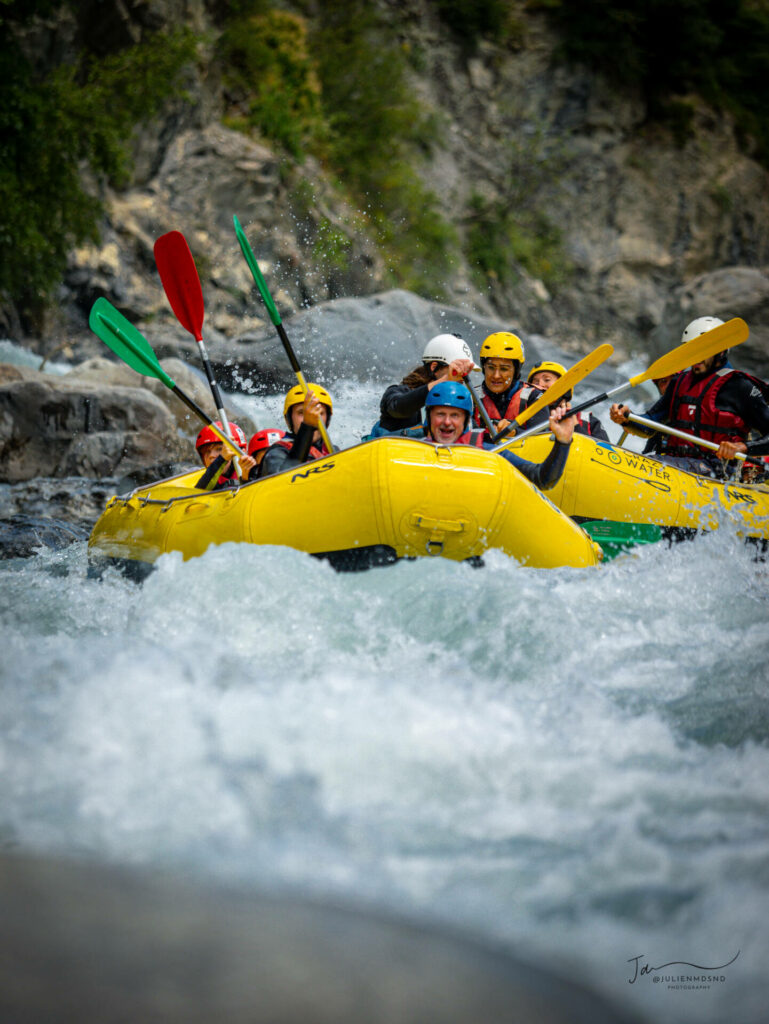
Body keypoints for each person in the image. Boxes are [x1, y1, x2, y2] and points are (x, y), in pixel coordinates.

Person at [610, 316, 769, 476]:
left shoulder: (740, 386)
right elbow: (651, 424)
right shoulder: (679, 382)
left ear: (721, 350)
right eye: (691, 349)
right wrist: (627, 418)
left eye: (702, 350)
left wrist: (742, 447)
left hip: (716, 472)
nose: (696, 356)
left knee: (655, 463)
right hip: (676, 465)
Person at [398, 380, 574, 490]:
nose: (447, 422)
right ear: (429, 417)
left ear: (466, 420)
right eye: (440, 414)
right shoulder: (413, 447)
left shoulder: (489, 450)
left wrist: (563, 442)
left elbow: (542, 479)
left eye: (455, 415)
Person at [369, 333, 476, 435]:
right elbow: (398, 408)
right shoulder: (397, 392)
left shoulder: (460, 404)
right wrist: (444, 380)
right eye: (455, 370)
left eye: (464, 372)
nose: (460, 376)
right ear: (434, 367)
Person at [513, 360, 610, 441]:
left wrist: (575, 426)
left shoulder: (589, 421)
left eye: (547, 380)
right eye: (536, 381)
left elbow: (605, 455)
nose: (540, 385)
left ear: (565, 388)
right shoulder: (519, 415)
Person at [258, 383, 334, 479]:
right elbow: (283, 483)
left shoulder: (333, 451)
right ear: (289, 419)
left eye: (320, 412)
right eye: (301, 413)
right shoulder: (276, 453)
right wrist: (307, 426)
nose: (313, 417)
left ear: (327, 420)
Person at [472, 332, 527, 435]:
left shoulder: (533, 398)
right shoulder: (471, 398)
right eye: (491, 367)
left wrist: (515, 432)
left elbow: (544, 438)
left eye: (504, 369)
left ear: (516, 371)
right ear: (484, 368)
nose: (496, 375)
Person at [194, 421, 257, 490]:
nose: (211, 455)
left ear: (241, 451)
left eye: (220, 449)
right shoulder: (207, 480)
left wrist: (246, 478)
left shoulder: (252, 470)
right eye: (207, 452)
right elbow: (200, 490)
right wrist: (221, 459)